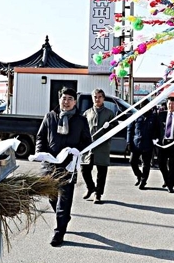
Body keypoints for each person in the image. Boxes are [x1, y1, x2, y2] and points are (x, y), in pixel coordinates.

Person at [35, 87, 92, 247]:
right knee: (52, 197)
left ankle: (59, 233)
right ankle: (64, 218)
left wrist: (77, 150)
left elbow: (87, 141)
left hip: (68, 166)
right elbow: (40, 136)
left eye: (69, 99)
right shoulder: (50, 116)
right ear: (59, 100)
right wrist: (40, 152)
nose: (66, 102)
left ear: (75, 102)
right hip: (50, 165)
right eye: (64, 98)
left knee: (64, 201)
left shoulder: (80, 120)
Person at [81, 88, 115, 204]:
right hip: (89, 146)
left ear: (103, 98)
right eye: (95, 97)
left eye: (99, 97)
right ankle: (90, 187)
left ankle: (98, 194)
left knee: (101, 172)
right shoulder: (87, 113)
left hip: (103, 146)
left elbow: (115, 129)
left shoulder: (110, 113)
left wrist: (109, 127)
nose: (97, 99)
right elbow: (82, 129)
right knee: (84, 169)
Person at [127, 99, 160, 190]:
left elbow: (157, 130)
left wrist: (156, 139)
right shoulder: (136, 115)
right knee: (132, 161)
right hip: (136, 143)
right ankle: (139, 175)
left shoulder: (154, 117)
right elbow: (130, 129)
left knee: (146, 164)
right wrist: (129, 142)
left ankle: (143, 181)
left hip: (148, 144)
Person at [156, 96, 174, 193]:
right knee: (161, 164)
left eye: (173, 103)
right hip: (163, 144)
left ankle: (170, 185)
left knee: (173, 166)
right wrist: (155, 138)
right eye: (169, 103)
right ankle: (167, 179)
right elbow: (156, 127)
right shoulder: (161, 114)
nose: (170, 105)